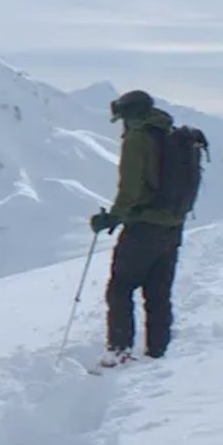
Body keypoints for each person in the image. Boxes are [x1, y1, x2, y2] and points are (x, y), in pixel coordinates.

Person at [89, 89, 189, 367]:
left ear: (130, 115)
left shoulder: (138, 139)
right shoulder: (170, 134)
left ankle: (119, 350)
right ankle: (158, 353)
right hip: (173, 226)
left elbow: (130, 187)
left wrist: (113, 217)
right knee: (158, 292)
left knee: (120, 288)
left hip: (144, 226)